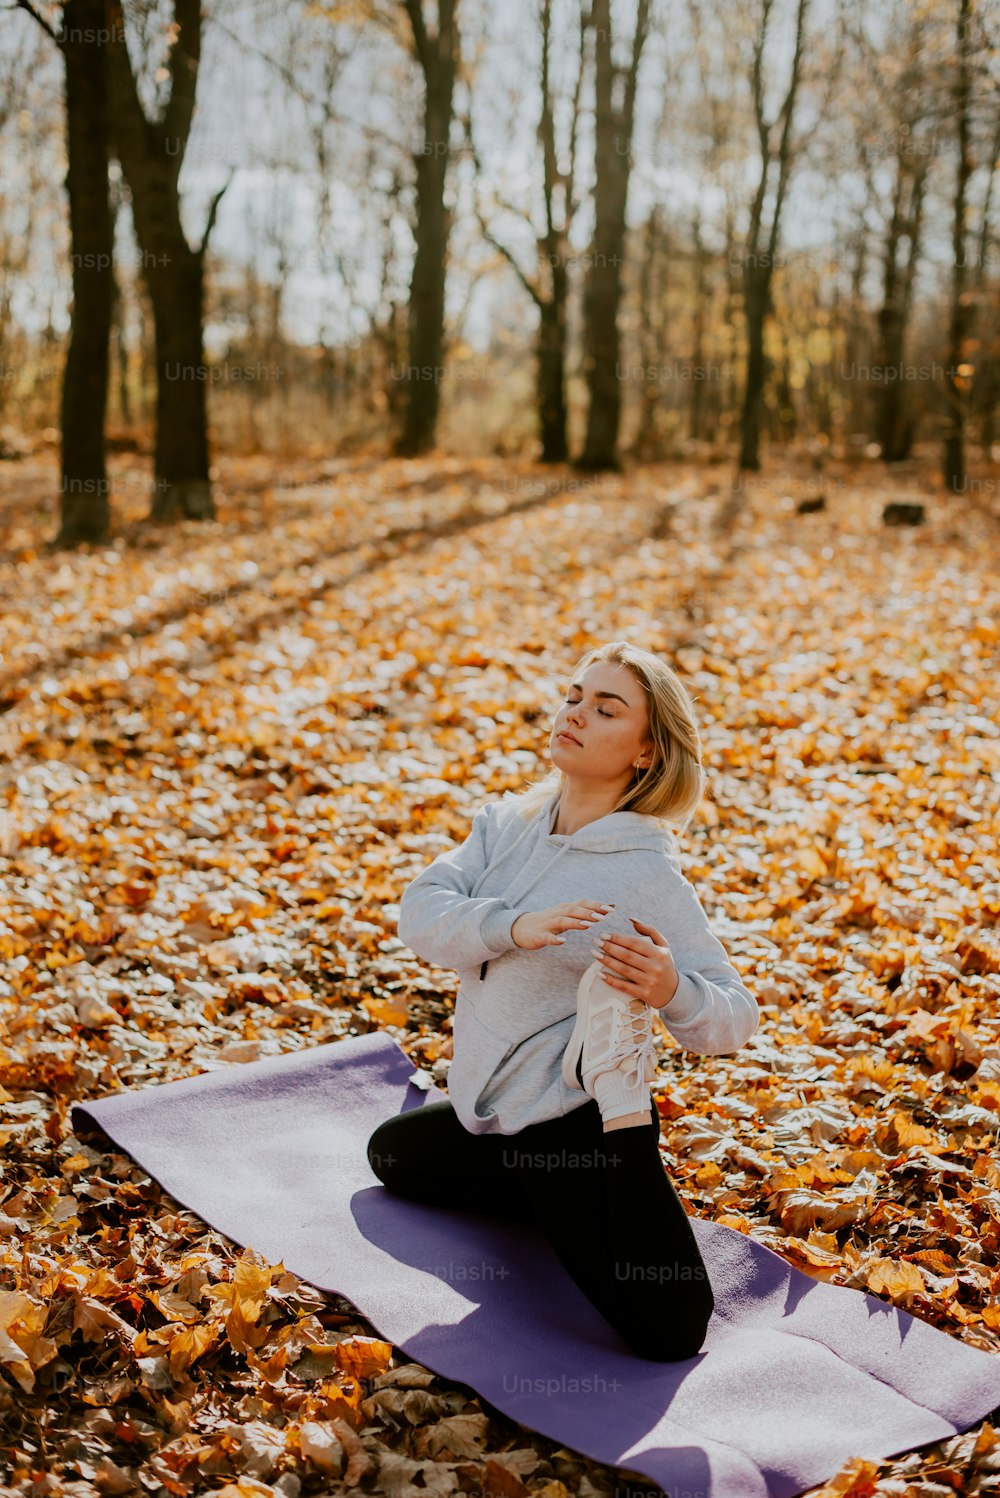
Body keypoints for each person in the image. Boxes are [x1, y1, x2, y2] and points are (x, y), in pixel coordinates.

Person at [367, 640, 760, 1361]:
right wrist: (510, 928)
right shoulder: (506, 825)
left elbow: (735, 1017)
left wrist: (671, 990)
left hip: (572, 1121)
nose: (575, 713)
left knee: (669, 1331)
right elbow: (420, 913)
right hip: (488, 1107)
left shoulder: (647, 877)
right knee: (391, 1155)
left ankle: (627, 1113)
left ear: (645, 752)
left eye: (605, 708)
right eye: (575, 696)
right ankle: (550, 1195)